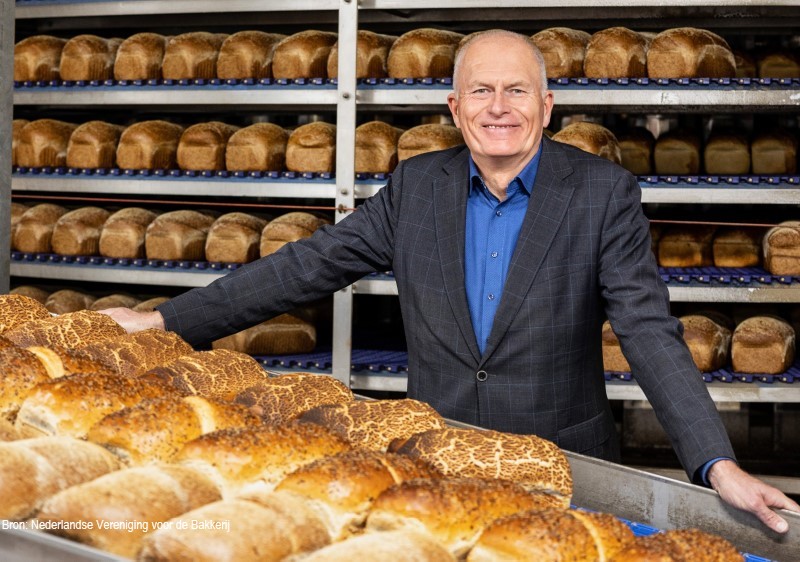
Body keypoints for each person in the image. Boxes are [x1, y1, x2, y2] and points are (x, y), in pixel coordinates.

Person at [103, 30, 799, 532]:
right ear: (454, 106)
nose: (500, 107)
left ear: (547, 106)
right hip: (437, 465)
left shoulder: (601, 192)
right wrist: (167, 321)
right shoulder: (416, 187)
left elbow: (648, 331)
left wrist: (715, 464)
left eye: (517, 90)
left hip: (565, 470)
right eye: (482, 91)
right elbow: (306, 265)